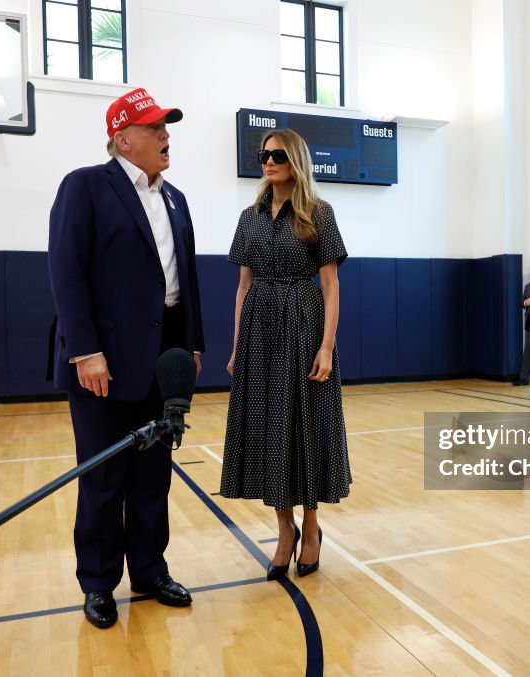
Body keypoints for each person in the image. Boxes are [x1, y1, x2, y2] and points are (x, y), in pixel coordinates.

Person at [48, 88, 205, 629]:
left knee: (152, 475)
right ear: (122, 138)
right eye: (155, 128)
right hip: (103, 362)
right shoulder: (86, 187)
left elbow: (186, 281)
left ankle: (149, 570)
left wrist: (192, 347)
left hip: (163, 360)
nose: (166, 137)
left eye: (167, 127)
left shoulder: (176, 198)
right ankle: (97, 583)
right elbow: (66, 272)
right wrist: (85, 351)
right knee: (102, 478)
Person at [220, 128, 351, 580]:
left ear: (295, 160)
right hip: (260, 329)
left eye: (277, 155)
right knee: (268, 432)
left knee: (306, 428)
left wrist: (327, 346)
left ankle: (311, 527)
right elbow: (243, 286)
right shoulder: (249, 216)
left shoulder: (319, 212)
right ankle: (284, 530)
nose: (268, 161)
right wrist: (238, 346)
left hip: (304, 325)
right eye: (263, 155)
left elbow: (331, 286)